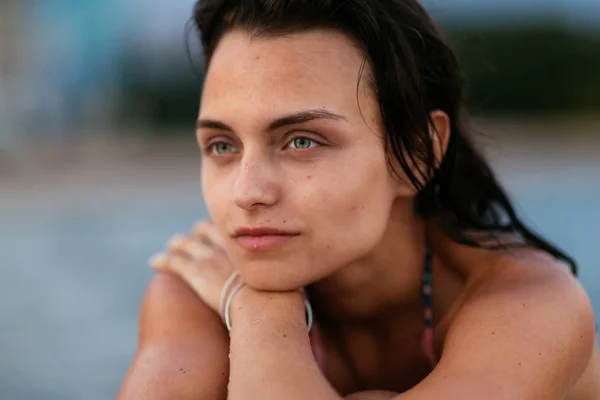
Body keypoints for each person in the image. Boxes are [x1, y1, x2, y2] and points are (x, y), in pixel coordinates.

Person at [118, 0, 600, 399]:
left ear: (416, 151)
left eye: (302, 141)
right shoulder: (199, 284)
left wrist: (258, 315)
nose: (247, 193)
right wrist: (256, 304)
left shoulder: (532, 302)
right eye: (222, 146)